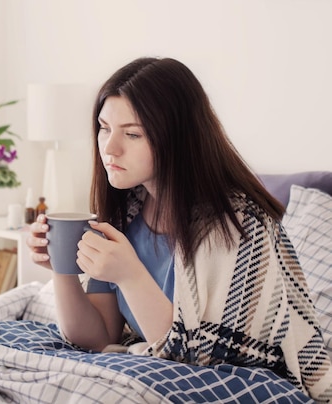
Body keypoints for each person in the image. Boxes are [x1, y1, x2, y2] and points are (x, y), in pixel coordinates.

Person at [27, 57, 332, 401]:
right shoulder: (126, 212)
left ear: (177, 139)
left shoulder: (239, 225)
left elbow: (202, 363)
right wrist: (63, 269)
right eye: (104, 127)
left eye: (132, 133)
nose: (110, 147)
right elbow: (98, 338)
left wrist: (130, 275)